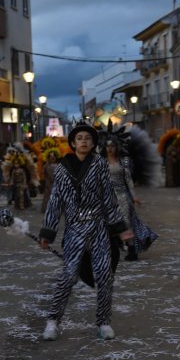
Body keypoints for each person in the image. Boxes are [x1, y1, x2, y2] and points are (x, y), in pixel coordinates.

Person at [39, 121, 133, 341]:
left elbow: (109, 199)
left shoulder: (99, 164)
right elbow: (55, 202)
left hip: (99, 228)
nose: (84, 142)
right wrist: (47, 233)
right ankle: (53, 321)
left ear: (93, 144)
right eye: (80, 138)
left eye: (88, 139)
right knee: (68, 276)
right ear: (73, 142)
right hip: (74, 230)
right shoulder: (62, 168)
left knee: (104, 275)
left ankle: (103, 322)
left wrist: (120, 229)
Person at [102, 137, 157, 263]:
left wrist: (134, 196)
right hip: (107, 198)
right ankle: (112, 250)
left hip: (122, 197)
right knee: (108, 224)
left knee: (126, 223)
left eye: (112, 146)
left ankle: (132, 250)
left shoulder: (122, 163)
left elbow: (128, 181)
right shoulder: (101, 163)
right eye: (107, 146)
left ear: (116, 148)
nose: (110, 148)